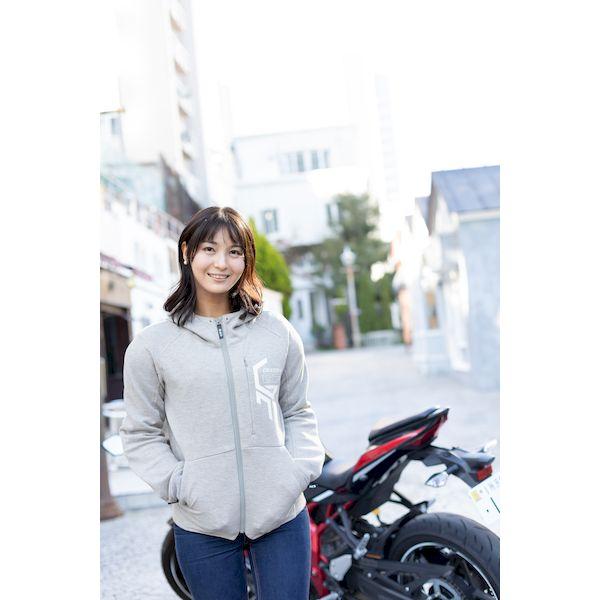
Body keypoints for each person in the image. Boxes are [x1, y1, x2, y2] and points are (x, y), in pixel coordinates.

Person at [119, 206, 325, 600]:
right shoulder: (152, 347)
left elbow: (297, 411)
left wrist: (296, 472)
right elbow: (141, 433)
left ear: (246, 260)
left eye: (234, 252)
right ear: (187, 253)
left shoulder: (277, 332)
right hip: (202, 525)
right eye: (209, 249)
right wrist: (180, 484)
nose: (221, 263)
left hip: (282, 517)